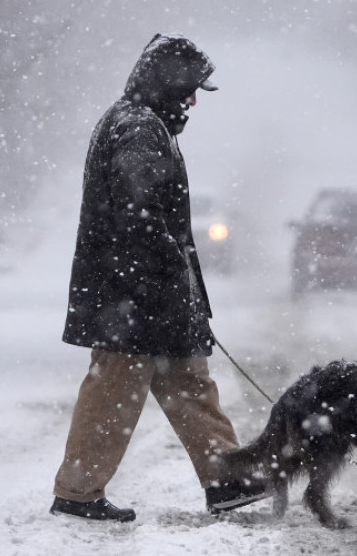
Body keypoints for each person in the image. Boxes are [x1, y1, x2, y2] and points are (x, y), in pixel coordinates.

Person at [50, 33, 267, 522]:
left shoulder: (146, 124)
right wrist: (167, 274)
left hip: (148, 292)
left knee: (189, 383)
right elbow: (138, 212)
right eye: (189, 88)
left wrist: (180, 289)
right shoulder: (136, 127)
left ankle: (226, 479)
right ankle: (78, 493)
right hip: (131, 295)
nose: (193, 100)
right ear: (167, 83)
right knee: (114, 392)